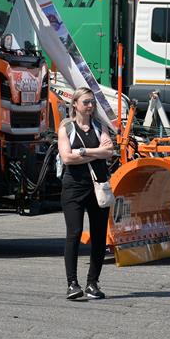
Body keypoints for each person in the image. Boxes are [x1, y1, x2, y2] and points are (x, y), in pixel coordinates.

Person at [57, 87, 115, 300]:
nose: (90, 106)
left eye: (92, 102)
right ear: (75, 104)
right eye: (86, 102)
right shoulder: (66, 127)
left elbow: (109, 152)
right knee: (74, 233)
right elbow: (66, 158)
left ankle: (93, 283)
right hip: (74, 187)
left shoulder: (100, 127)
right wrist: (96, 153)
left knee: (99, 236)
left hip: (99, 187)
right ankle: (72, 283)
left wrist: (82, 152)